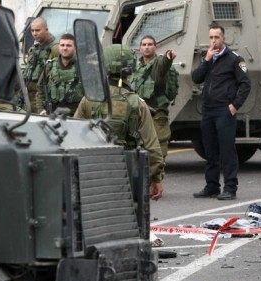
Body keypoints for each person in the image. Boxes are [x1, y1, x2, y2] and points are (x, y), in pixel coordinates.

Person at [74, 44, 164, 200]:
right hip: (126, 169)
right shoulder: (137, 103)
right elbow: (152, 147)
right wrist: (156, 178)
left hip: (92, 170)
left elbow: (74, 135)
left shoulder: (89, 98)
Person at [191, 24, 251, 200]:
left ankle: (230, 188)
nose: (213, 41)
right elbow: (196, 78)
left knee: (227, 150)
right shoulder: (208, 58)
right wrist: (207, 60)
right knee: (210, 151)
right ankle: (212, 186)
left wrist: (234, 105)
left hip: (224, 110)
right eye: (211, 37)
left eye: (217, 37)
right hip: (208, 110)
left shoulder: (234, 59)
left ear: (223, 38)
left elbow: (245, 84)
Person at [130, 35, 177, 161]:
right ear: (139, 48)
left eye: (150, 44)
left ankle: (157, 176)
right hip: (139, 112)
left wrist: (168, 57)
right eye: (144, 45)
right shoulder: (136, 66)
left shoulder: (158, 63)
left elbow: (164, 65)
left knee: (158, 149)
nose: (146, 47)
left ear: (155, 47)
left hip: (156, 111)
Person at [36, 33, 83, 115]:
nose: (65, 48)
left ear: (75, 47)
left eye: (68, 45)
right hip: (52, 114)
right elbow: (40, 89)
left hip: (74, 116)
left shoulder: (83, 67)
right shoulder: (49, 65)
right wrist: (41, 110)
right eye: (62, 45)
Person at [23, 17, 59, 113]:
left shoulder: (55, 49)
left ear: (46, 30)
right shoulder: (34, 49)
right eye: (32, 30)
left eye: (38, 30)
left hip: (42, 100)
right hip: (28, 99)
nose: (34, 33)